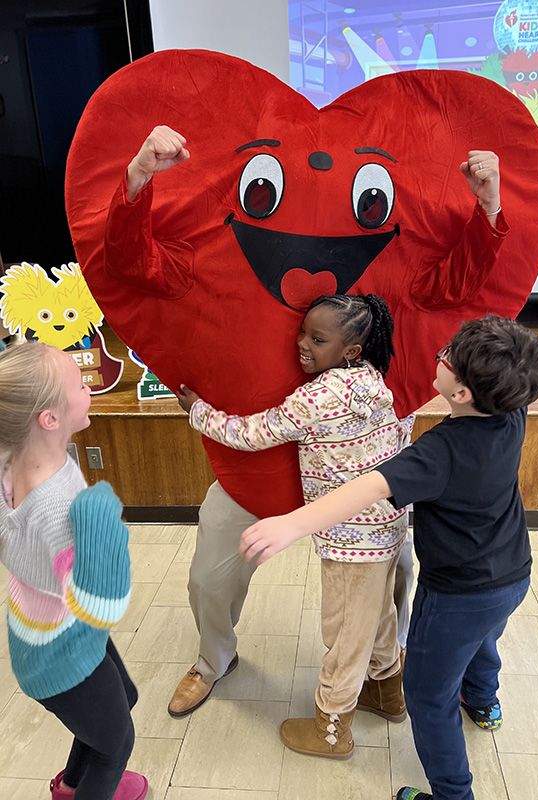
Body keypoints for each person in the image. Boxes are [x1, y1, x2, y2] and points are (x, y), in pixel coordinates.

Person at [106, 126, 508, 721]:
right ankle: (214, 660)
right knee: (210, 576)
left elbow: (456, 282)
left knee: (391, 572)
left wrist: (489, 204)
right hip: (256, 473)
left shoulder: (372, 303)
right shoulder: (222, 256)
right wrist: (138, 177)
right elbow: (137, 264)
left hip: (350, 494)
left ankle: (381, 676)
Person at [239, 315, 538, 799]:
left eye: (447, 359)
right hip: (513, 574)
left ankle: (453, 793)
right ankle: (485, 703)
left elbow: (367, 487)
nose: (439, 358)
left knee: (429, 697)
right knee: (483, 642)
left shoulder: (440, 452)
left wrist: (291, 524)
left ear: (464, 394)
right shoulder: (513, 409)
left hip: (455, 594)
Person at [176, 293, 415, 757]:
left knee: (345, 634)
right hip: (388, 527)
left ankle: (332, 730)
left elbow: (250, 434)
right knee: (378, 616)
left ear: (350, 350)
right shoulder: (373, 379)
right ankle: (388, 694)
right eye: (303, 331)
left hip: (351, 542)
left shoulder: (315, 397)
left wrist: (197, 411)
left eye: (317, 338)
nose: (302, 343)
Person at [0, 342, 148, 800]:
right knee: (115, 743)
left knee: (124, 701)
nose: (88, 389)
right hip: (61, 650)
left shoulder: (11, 463)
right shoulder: (59, 507)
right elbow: (98, 604)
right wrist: (104, 528)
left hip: (42, 632)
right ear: (49, 418)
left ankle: (70, 786)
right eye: (80, 385)